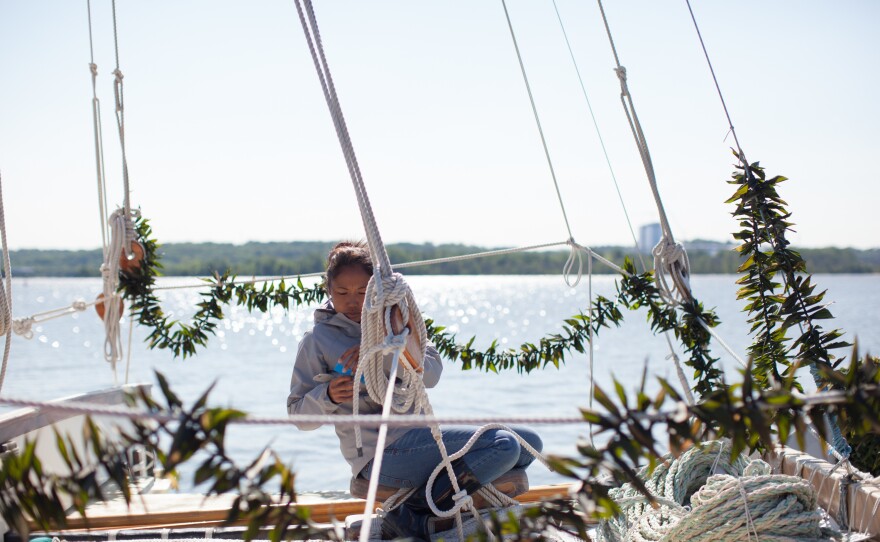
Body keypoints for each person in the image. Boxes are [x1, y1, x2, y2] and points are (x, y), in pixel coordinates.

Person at [287, 241, 543, 540]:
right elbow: (298, 415)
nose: (353, 301)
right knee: (504, 446)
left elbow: (431, 375)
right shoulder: (317, 342)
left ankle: (433, 509)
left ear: (376, 290)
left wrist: (383, 348)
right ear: (328, 289)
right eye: (342, 292)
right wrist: (328, 396)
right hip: (378, 454)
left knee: (530, 443)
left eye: (362, 292)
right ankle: (412, 516)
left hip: (419, 438)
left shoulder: (398, 322)